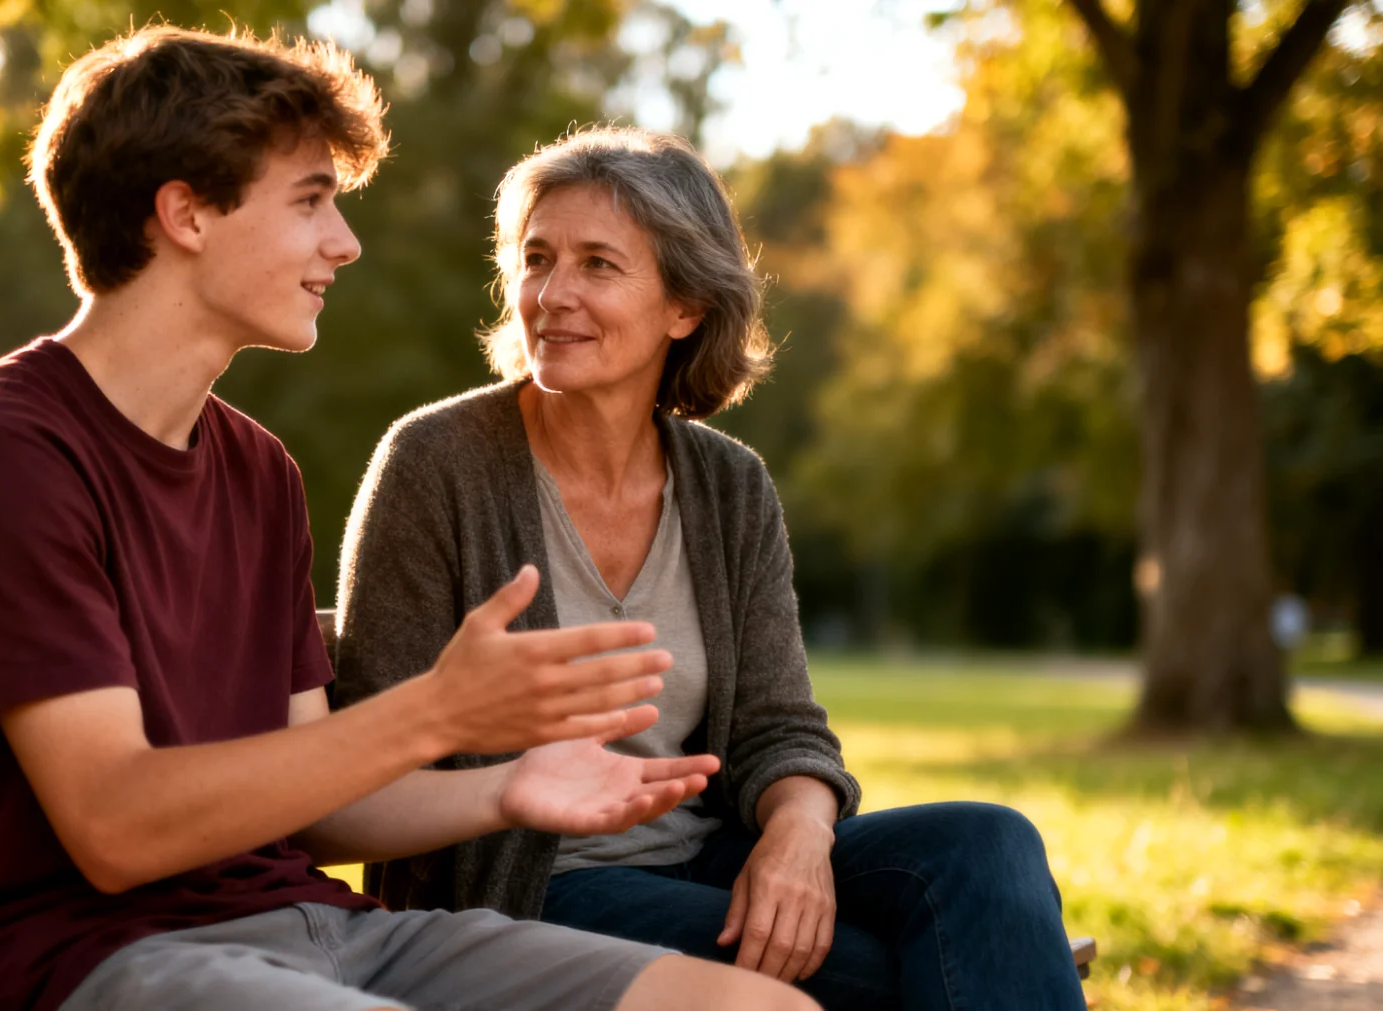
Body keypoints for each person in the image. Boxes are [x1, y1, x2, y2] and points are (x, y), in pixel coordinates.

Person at [0, 28, 820, 1011]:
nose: (344, 242)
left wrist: (505, 788)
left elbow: (326, 805)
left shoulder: (255, 470)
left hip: (319, 929)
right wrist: (439, 711)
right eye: (310, 200)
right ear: (186, 214)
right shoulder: (2, 455)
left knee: (758, 1008)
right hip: (94, 958)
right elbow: (115, 830)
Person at [334, 126, 1090, 1011]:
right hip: (529, 889)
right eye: (536, 259)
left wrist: (799, 831)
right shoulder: (435, 464)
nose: (553, 293)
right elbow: (367, 759)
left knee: (987, 846)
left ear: (685, 307)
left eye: (598, 264)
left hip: (705, 857)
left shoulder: (731, 486)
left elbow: (779, 725)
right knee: (908, 969)